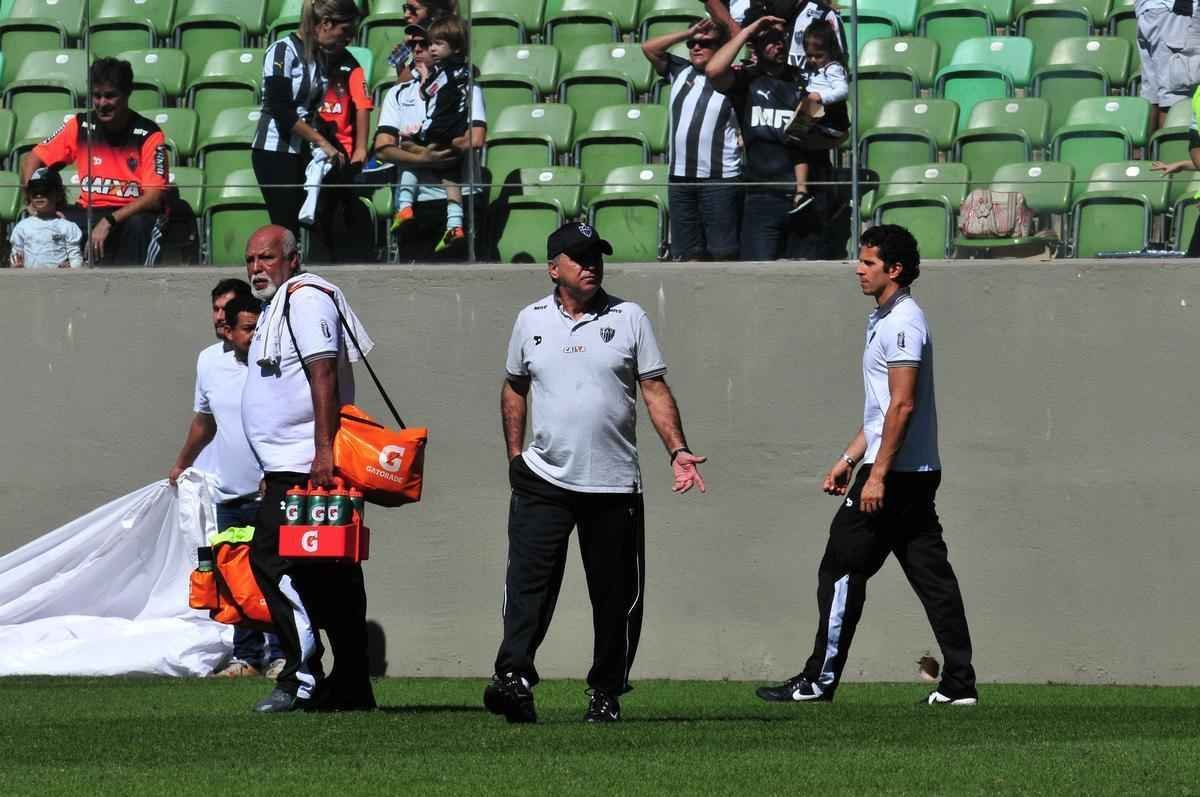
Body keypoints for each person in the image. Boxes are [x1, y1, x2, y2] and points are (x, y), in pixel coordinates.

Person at [483, 221, 708, 724]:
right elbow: (514, 386)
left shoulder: (630, 317)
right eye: (580, 257)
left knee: (615, 596)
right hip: (542, 477)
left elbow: (653, 389)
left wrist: (678, 450)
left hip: (613, 481)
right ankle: (513, 678)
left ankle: (605, 691)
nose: (591, 265)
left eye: (596, 257)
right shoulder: (529, 320)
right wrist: (515, 456)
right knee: (527, 586)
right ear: (553, 268)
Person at [755, 224, 979, 707]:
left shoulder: (902, 323)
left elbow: (902, 405)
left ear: (894, 270)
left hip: (894, 475)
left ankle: (818, 681)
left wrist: (876, 475)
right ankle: (960, 685)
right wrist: (848, 458)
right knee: (933, 578)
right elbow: (881, 412)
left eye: (869, 262)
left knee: (839, 568)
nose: (858, 269)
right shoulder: (886, 318)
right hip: (908, 471)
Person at [240, 224, 376, 713]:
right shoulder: (276, 305)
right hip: (289, 464)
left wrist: (322, 452)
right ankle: (353, 684)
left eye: (267, 258)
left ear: (293, 259)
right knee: (331, 575)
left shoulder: (306, 298)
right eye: (251, 260)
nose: (257, 268)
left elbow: (323, 373)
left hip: (308, 465)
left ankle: (301, 674)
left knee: (270, 558)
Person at [168, 279, 285, 679]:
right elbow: (205, 422)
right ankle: (247, 657)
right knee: (234, 574)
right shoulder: (208, 362)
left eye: (229, 310)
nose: (221, 317)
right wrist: (182, 463)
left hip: (270, 490)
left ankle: (282, 654)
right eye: (217, 309)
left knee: (274, 574)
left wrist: (276, 472)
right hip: (228, 492)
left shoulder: (275, 361)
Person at [22, 57, 168, 266]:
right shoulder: (80, 125)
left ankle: (131, 285)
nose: (102, 104)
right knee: (47, 223)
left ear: (127, 94)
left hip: (131, 214)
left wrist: (109, 221)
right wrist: (31, 202)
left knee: (139, 224)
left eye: (110, 96)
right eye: (97, 96)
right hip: (88, 212)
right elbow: (33, 159)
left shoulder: (149, 134)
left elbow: (154, 197)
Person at [373, 25, 487, 261]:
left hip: (463, 199)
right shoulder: (398, 93)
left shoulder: (467, 86)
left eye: (424, 44)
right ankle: (405, 207)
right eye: (411, 45)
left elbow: (475, 138)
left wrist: (445, 149)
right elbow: (383, 149)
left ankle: (453, 225)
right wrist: (425, 158)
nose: (417, 50)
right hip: (418, 205)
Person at [707, 14, 817, 260]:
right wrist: (749, 30)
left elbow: (804, 140)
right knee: (757, 272)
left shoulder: (801, 79)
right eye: (771, 40)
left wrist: (802, 188)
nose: (779, 45)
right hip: (761, 195)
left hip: (802, 195)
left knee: (803, 273)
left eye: (782, 39)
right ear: (755, 46)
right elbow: (713, 71)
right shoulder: (747, 80)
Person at [252, 0, 359, 238]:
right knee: (286, 226)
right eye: (345, 30)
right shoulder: (283, 51)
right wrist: (322, 141)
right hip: (275, 152)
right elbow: (280, 109)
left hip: (304, 151)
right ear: (326, 23)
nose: (348, 38)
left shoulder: (321, 57)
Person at [642, 19, 743, 261]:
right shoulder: (680, 70)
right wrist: (688, 33)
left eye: (705, 43)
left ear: (721, 46)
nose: (696, 47)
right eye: (692, 43)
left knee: (722, 253)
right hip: (680, 178)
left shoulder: (733, 78)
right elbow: (649, 48)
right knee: (686, 253)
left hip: (719, 178)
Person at [388, 15, 472, 254]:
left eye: (436, 44)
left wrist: (425, 79)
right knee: (451, 178)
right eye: (430, 44)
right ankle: (455, 225)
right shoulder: (465, 73)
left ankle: (405, 205)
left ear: (455, 47)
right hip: (452, 132)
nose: (431, 49)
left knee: (407, 148)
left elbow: (427, 93)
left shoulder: (446, 74)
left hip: (437, 129)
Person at [307, 27, 375, 261]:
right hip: (312, 147)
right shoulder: (311, 63)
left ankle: (334, 257)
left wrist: (361, 148)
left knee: (331, 208)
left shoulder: (351, 67)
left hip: (341, 151)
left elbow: (363, 106)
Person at [790, 20, 847, 214]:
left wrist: (820, 97)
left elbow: (842, 91)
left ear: (830, 51)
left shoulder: (833, 68)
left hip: (830, 122)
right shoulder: (811, 69)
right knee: (799, 146)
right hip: (816, 118)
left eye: (818, 55)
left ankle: (805, 191)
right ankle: (808, 191)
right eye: (809, 55)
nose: (813, 60)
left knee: (796, 141)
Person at [1136, 0, 1195, 132]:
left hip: (1148, 11)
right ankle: (1169, 145)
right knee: (1174, 97)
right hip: (1173, 12)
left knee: (1152, 95)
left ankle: (1149, 145)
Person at [8, 168, 83, 269]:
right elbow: (16, 256)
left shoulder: (68, 227)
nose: (39, 195)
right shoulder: (22, 227)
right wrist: (16, 266)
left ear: (58, 195)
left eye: (45, 191)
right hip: (29, 278)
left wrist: (70, 267)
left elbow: (76, 260)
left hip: (59, 278)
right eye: (34, 192)